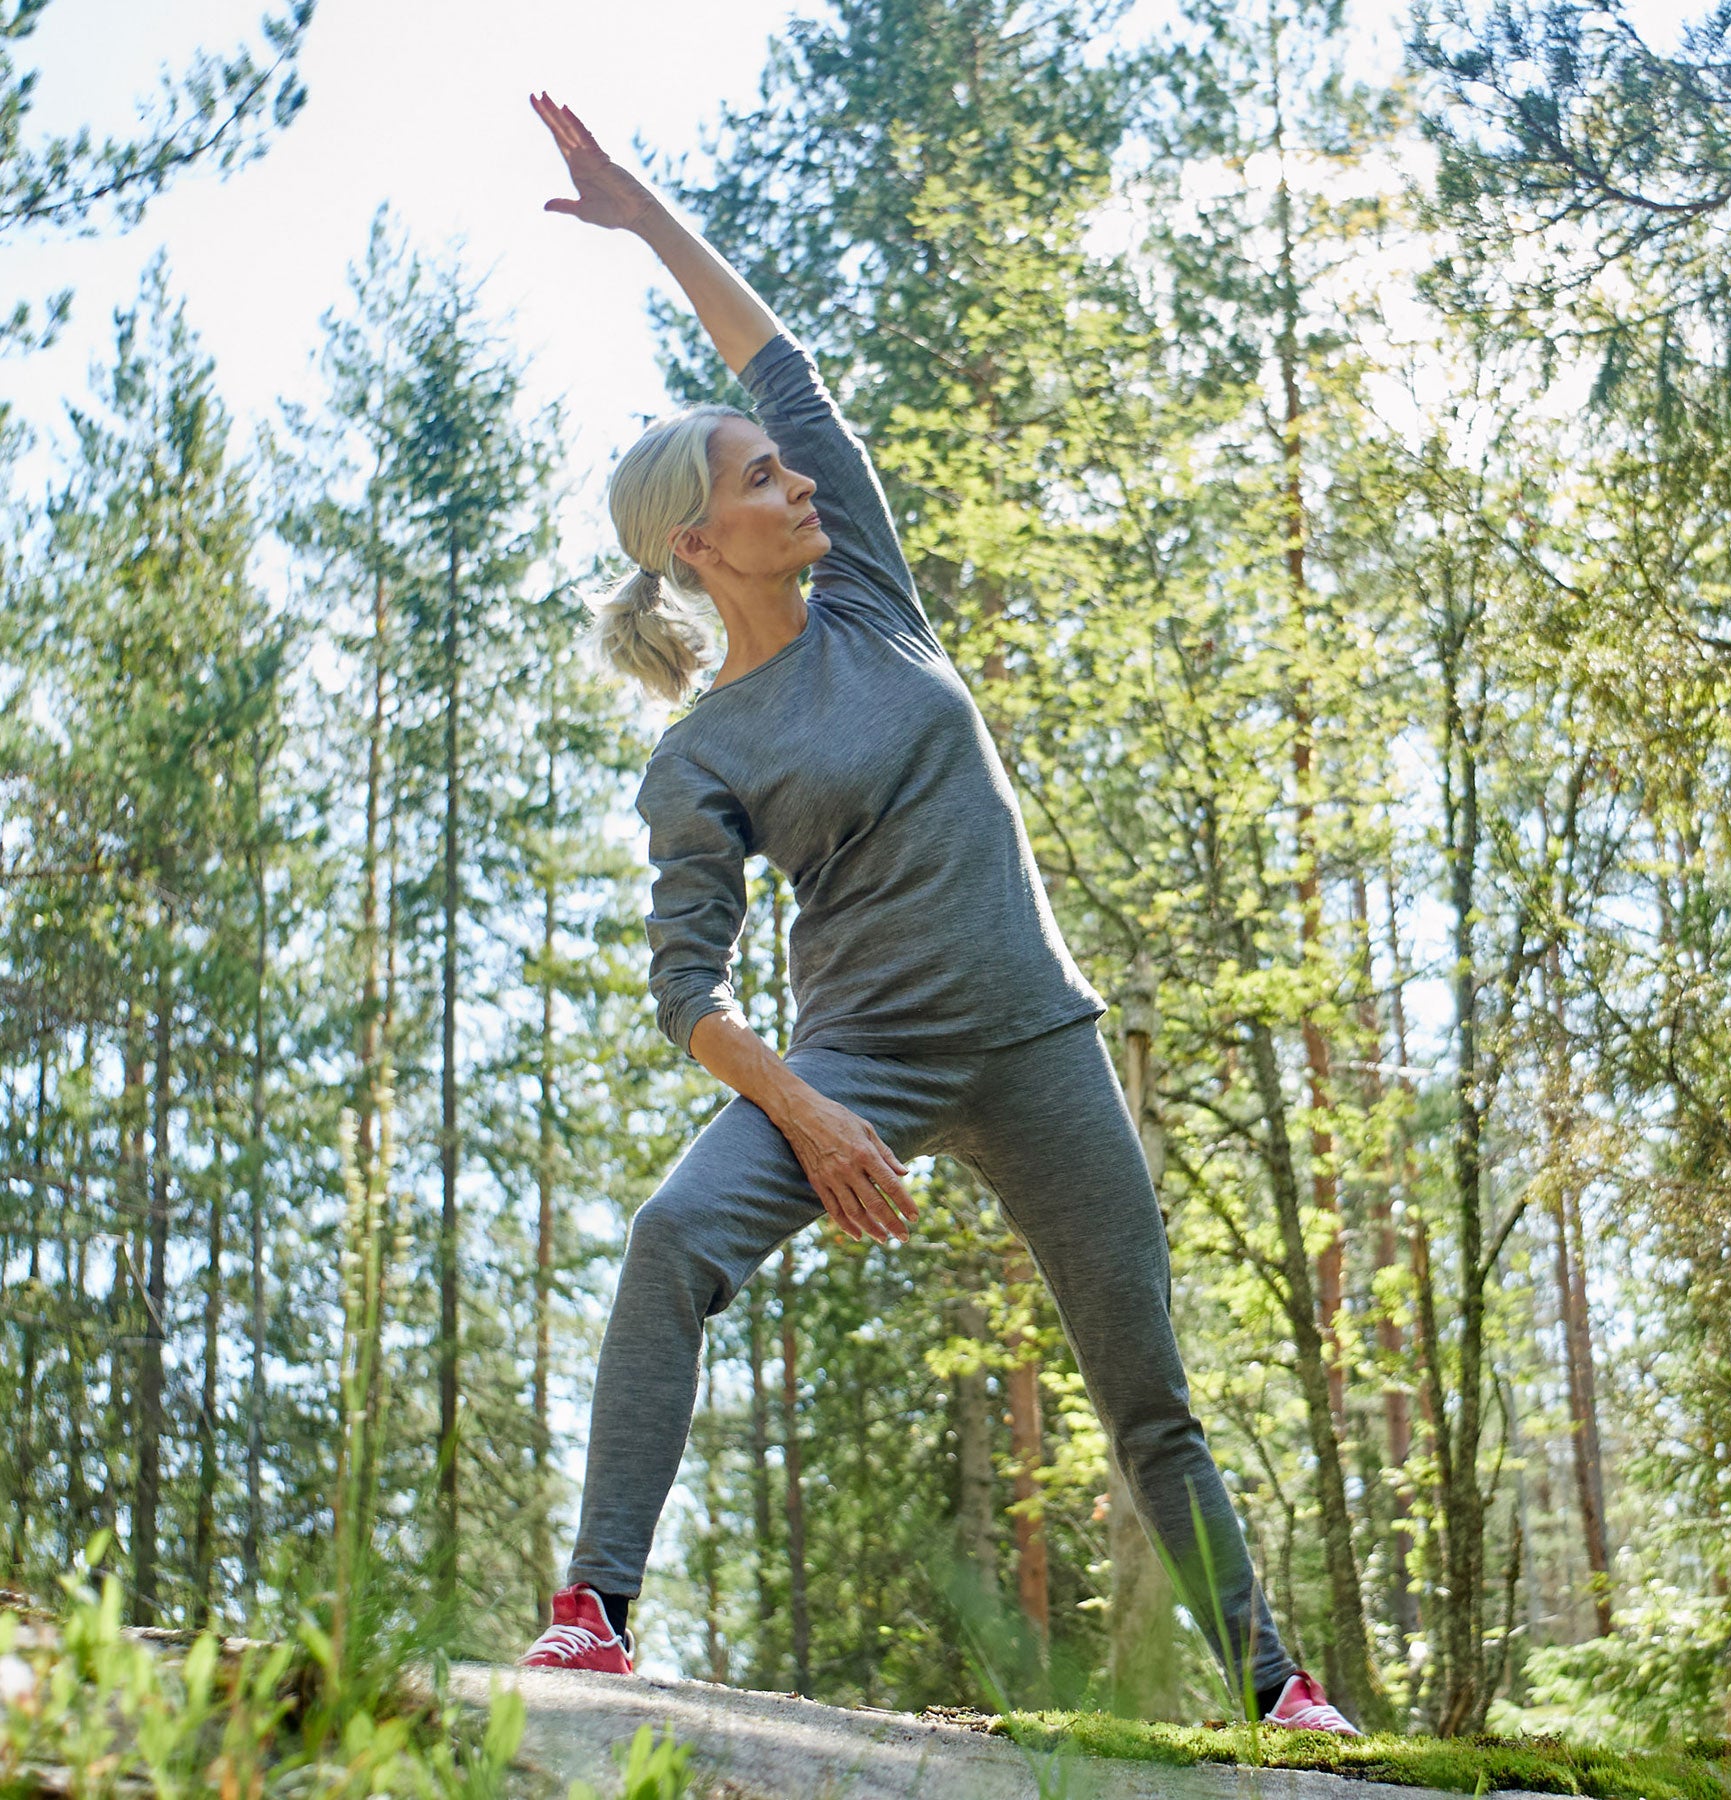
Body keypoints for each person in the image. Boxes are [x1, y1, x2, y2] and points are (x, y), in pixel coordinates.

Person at [516, 90, 1360, 1738]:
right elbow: (684, 989)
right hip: (861, 1060)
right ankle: (593, 1613)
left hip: (1038, 1042)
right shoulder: (700, 754)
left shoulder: (874, 598)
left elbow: (788, 368)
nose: (800, 486)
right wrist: (812, 1113)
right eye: (768, 484)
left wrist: (645, 217)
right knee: (675, 1238)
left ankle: (1280, 1689)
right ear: (701, 539)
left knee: (1146, 1396)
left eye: (793, 473)